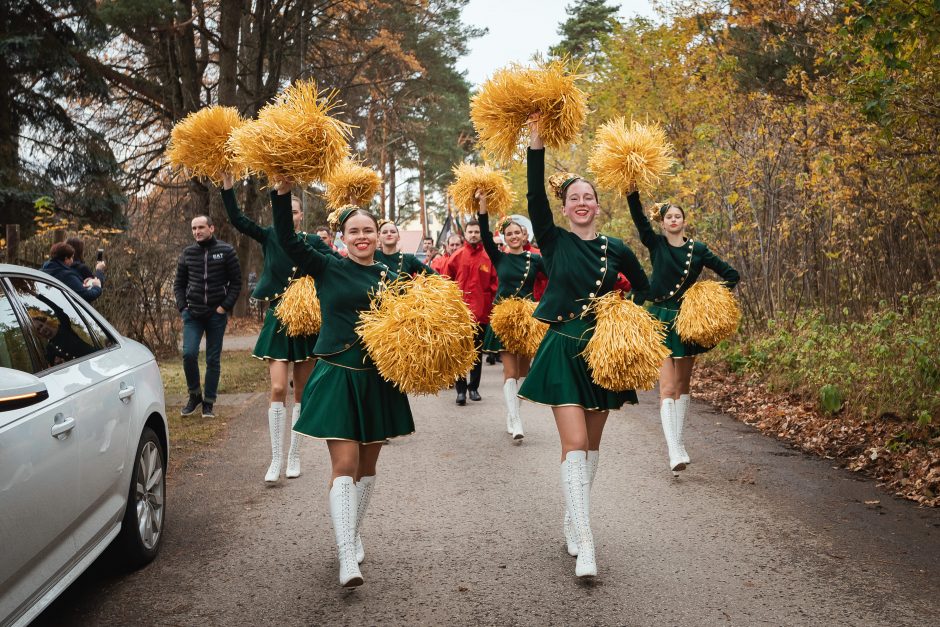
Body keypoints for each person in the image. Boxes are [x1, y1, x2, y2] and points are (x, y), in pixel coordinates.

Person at [518, 113, 650, 578]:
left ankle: (574, 521)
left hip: (603, 353)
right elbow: (535, 199)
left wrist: (625, 318)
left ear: (597, 205)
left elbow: (644, 289)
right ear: (566, 205)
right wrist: (536, 143)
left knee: (592, 447)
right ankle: (588, 544)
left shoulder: (617, 247)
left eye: (587, 197)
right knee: (574, 444)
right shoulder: (553, 242)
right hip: (562, 348)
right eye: (573, 198)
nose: (581, 203)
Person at [271, 180, 414, 588]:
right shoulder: (327, 265)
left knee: (368, 467)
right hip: (337, 375)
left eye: (368, 230)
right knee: (345, 465)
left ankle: (351, 533)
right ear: (343, 237)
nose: (363, 237)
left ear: (377, 236)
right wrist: (281, 193)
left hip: (377, 380)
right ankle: (346, 556)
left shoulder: (391, 276)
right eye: (355, 231)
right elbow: (286, 239)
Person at [222, 174, 328, 481]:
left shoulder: (312, 242)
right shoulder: (270, 235)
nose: (292, 215)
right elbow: (238, 220)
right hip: (279, 318)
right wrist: (228, 185)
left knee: (301, 392)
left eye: (296, 211)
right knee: (279, 387)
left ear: (301, 215)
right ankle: (275, 459)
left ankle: (294, 455)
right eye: (288, 210)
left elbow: (332, 268)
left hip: (307, 320)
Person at [628, 195, 739, 472]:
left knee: (682, 386)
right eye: (669, 217)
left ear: (684, 221)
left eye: (678, 216)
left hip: (687, 321)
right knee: (666, 387)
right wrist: (632, 190)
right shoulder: (656, 244)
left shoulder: (698, 249)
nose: (673, 220)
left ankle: (678, 441)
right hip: (660, 319)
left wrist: (706, 298)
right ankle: (674, 450)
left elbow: (731, 274)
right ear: (663, 223)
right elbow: (640, 221)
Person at [476, 196, 547, 439]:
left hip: (528, 319)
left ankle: (512, 412)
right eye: (509, 233)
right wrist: (483, 207)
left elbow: (554, 278)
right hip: (505, 318)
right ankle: (516, 421)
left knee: (524, 374)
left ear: (525, 236)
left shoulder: (535, 260)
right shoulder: (499, 257)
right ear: (504, 237)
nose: (514, 236)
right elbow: (485, 234)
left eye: (518, 233)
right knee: (510, 372)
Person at [173, 214, 241, 419]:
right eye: (194, 228)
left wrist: (224, 307)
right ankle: (194, 395)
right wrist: (183, 308)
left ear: (211, 228)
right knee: (189, 354)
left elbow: (236, 283)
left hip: (216, 315)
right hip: (192, 314)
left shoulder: (226, 251)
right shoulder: (188, 253)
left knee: (213, 359)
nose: (197, 232)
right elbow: (179, 284)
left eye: (201, 227)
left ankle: (208, 403)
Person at [444, 220, 497, 405]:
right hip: (459, 314)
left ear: (481, 234)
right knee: (459, 353)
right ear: (465, 233)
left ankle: (473, 388)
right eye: (470, 231)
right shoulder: (457, 256)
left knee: (476, 353)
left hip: (480, 314)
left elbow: (494, 285)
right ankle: (460, 390)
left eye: (476, 231)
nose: (473, 234)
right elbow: (445, 283)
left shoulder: (488, 258)